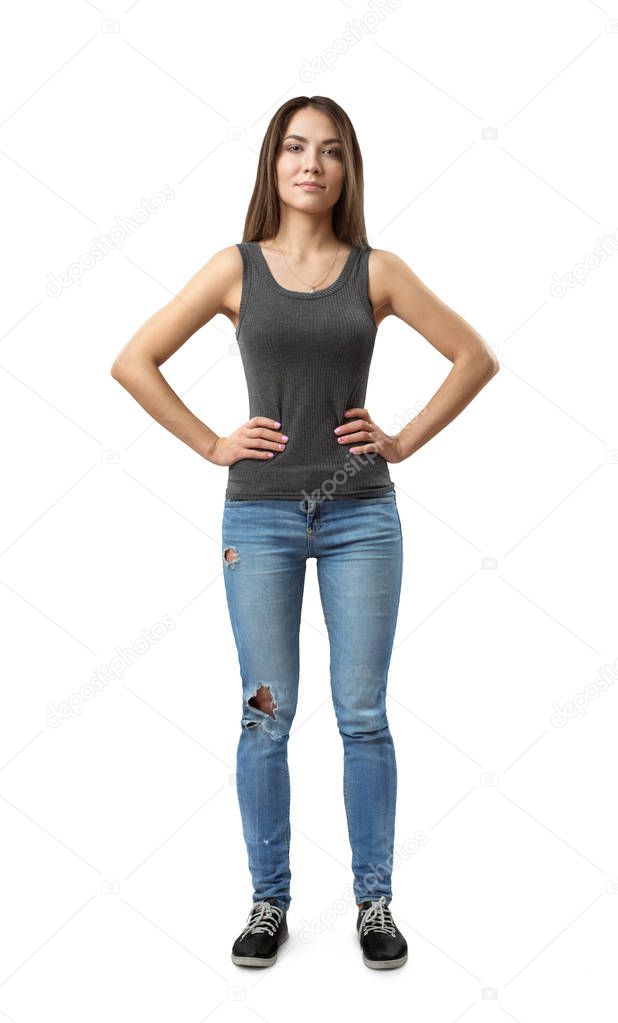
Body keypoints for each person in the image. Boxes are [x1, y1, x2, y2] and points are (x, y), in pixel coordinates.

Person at [111, 95, 499, 971]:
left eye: (328, 151)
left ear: (346, 168)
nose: (311, 164)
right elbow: (133, 360)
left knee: (363, 715)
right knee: (266, 714)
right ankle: (268, 900)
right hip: (260, 517)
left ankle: (374, 901)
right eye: (295, 148)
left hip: (363, 514)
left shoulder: (379, 270)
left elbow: (474, 356)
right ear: (273, 164)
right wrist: (212, 440)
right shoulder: (233, 268)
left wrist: (399, 440)